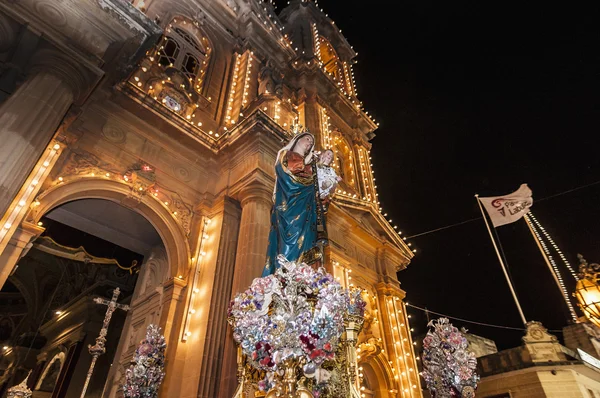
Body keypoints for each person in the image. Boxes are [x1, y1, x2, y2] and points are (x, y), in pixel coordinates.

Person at [262, 132, 317, 276]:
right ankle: (284, 275)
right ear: (297, 140)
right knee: (288, 237)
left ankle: (300, 275)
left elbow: (316, 189)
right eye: (307, 139)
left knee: (305, 238)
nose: (309, 143)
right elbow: (286, 171)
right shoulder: (286, 154)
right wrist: (307, 165)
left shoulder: (311, 166)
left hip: (305, 208)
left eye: (311, 142)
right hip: (288, 204)